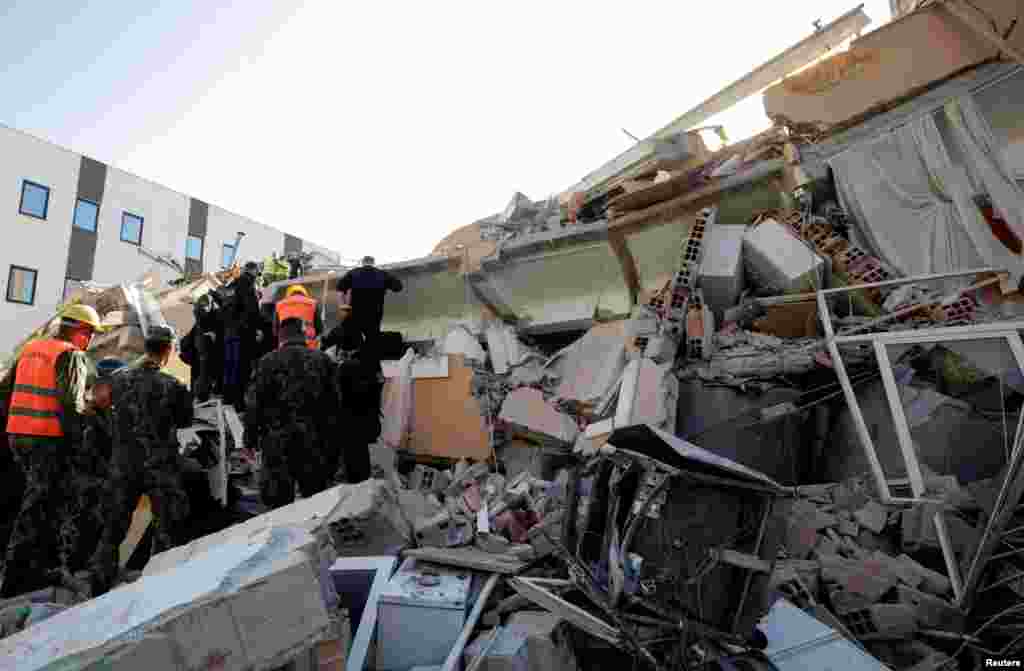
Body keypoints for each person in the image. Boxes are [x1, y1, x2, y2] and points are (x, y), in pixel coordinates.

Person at [0, 304, 103, 598]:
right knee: (47, 505)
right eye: (91, 334)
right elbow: (69, 404)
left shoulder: (33, 348)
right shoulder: (70, 355)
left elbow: (5, 392)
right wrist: (79, 443)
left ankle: (36, 568)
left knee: (38, 500)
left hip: (19, 436)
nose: (91, 341)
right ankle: (22, 575)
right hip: (47, 439)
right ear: (81, 333)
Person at [90, 326, 193, 595]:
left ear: (147, 347)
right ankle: (157, 590)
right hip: (160, 466)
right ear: (168, 351)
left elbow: (103, 408)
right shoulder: (173, 385)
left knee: (112, 530)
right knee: (166, 530)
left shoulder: (118, 380)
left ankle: (98, 586)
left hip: (123, 465)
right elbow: (185, 420)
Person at [244, 318, 342, 509]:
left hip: (277, 444)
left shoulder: (266, 362)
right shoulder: (322, 360)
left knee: (277, 507)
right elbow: (335, 406)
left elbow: (254, 405)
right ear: (303, 335)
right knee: (317, 505)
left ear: (280, 337)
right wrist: (334, 448)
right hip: (314, 442)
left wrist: (250, 439)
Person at [63, 358, 126, 575]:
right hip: (86, 484)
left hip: (96, 481)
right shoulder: (89, 418)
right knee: (90, 521)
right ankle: (81, 567)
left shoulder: (108, 413)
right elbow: (87, 458)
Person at [335, 256, 402, 361]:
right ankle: (370, 364)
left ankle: (353, 361)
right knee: (372, 342)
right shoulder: (382, 274)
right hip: (374, 315)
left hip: (356, 314)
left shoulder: (353, 273)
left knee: (353, 340)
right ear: (373, 263)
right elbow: (398, 287)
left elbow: (339, 289)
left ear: (363, 263)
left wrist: (342, 305)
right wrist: (384, 286)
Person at [222, 261, 263, 410]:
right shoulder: (247, 283)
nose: (257, 277)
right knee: (242, 367)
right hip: (243, 333)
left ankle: (227, 398)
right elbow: (251, 308)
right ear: (253, 271)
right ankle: (239, 403)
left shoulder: (231, 285)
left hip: (229, 332)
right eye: (257, 273)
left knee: (229, 366)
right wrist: (256, 329)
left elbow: (224, 309)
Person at [191, 290, 223, 403]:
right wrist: (209, 332)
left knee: (206, 368)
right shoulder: (206, 299)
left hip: (203, 339)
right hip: (205, 340)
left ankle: (203, 394)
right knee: (205, 369)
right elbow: (203, 314)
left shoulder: (206, 300)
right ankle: (202, 395)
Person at [274, 284, 322, 350]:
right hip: (308, 347)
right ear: (305, 293)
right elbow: (319, 328)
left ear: (288, 294)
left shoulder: (279, 305)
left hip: (285, 346)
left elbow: (275, 330)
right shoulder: (313, 304)